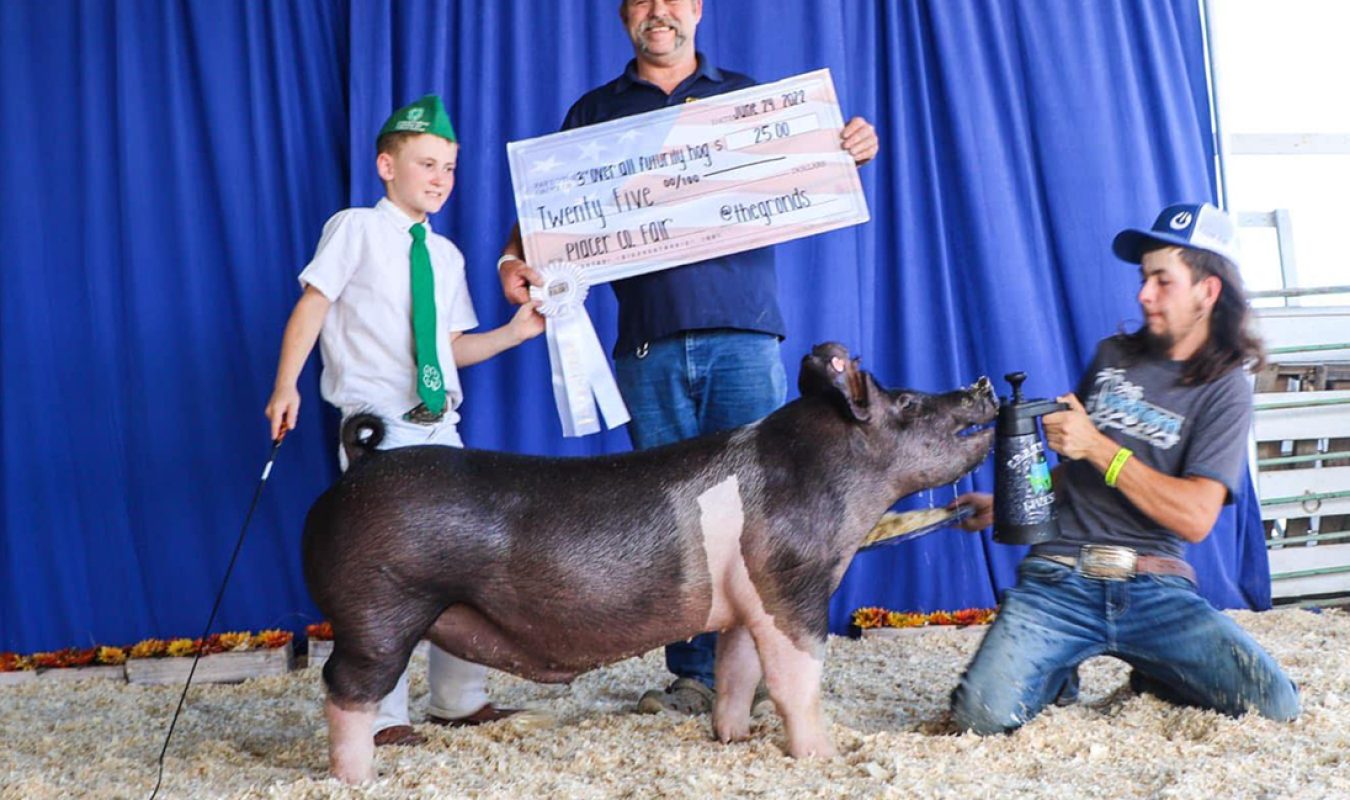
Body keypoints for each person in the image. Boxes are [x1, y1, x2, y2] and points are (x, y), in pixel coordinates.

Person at [496, 0, 880, 716]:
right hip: (647, 346)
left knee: (768, 514)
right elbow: (547, 207)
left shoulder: (754, 103)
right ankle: (694, 675)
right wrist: (512, 258)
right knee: (675, 525)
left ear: (697, 8)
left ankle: (770, 671)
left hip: (744, 337)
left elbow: (824, 159)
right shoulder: (595, 112)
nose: (658, 11)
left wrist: (851, 143)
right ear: (624, 15)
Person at [948, 202, 1300, 734]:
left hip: (1156, 589)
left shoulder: (1226, 389)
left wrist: (1100, 448)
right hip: (1059, 578)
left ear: (1208, 293)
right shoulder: (1112, 355)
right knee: (980, 717)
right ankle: (1059, 664)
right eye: (1143, 279)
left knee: (1276, 704)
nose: (1143, 294)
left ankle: (1147, 667)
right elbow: (1077, 474)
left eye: (1163, 281)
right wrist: (1009, 504)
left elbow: (1196, 518)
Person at [265, 94, 544, 747]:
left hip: (439, 425)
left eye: (448, 167)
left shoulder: (444, 256)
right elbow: (312, 306)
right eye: (426, 164)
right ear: (386, 166)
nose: (440, 178)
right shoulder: (355, 228)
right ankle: (384, 713)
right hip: (377, 425)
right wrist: (286, 385)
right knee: (385, 569)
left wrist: (512, 334)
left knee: (466, 559)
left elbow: (449, 347)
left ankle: (458, 697)